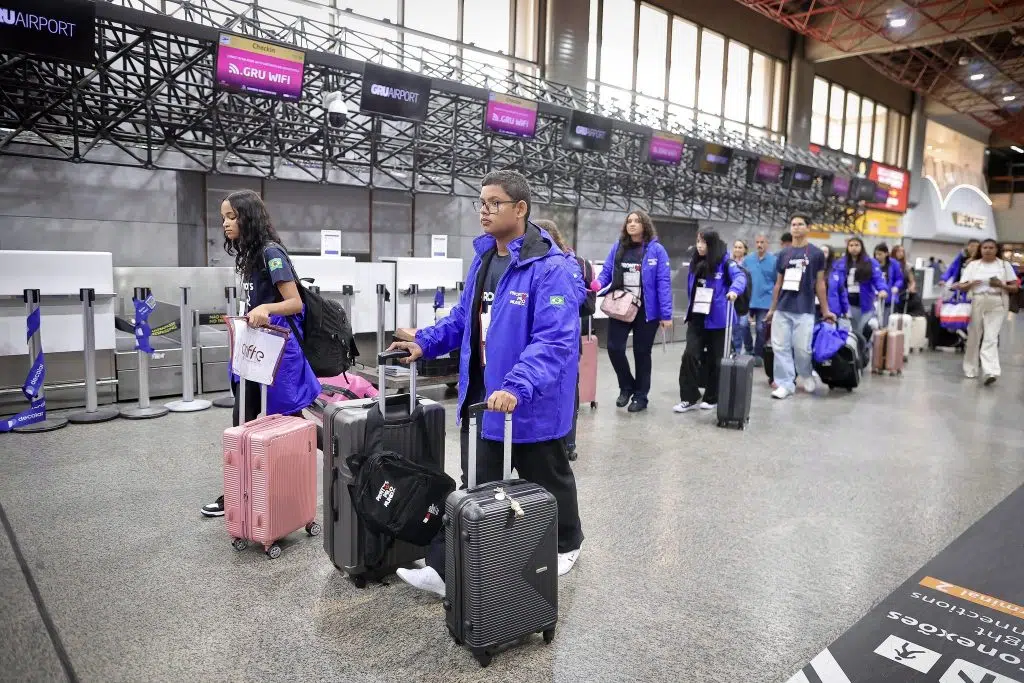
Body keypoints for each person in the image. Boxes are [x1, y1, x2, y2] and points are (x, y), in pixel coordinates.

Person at [387, 170, 585, 597]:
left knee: (548, 478)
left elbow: (554, 341)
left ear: (520, 208)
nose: (484, 211)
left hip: (527, 402)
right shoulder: (484, 260)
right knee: (475, 488)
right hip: (483, 398)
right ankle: (447, 568)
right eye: (481, 203)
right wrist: (424, 342)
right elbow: (464, 318)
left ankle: (567, 544)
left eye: (495, 203)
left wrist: (517, 385)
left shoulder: (551, 269)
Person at [201, 190, 322, 517]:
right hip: (256, 352)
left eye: (232, 217)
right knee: (244, 418)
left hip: (277, 353)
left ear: (248, 217)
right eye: (223, 218)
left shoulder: (271, 253)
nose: (225, 224)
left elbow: (294, 302)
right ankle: (237, 491)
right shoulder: (251, 254)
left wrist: (265, 308)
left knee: (288, 419)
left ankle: (348, 454)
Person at [596, 210, 673, 413]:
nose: (632, 224)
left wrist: (666, 314)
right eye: (629, 221)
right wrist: (597, 284)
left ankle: (641, 396)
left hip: (647, 311)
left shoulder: (657, 250)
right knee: (614, 347)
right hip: (621, 305)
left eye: (636, 221)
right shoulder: (618, 247)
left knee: (642, 353)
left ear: (644, 225)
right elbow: (607, 271)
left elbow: (663, 283)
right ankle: (627, 386)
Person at [534, 219, 591, 460]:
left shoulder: (569, 262)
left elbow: (579, 296)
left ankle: (568, 444)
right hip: (540, 339)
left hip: (565, 341)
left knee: (566, 392)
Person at [674, 230, 746, 413]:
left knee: (717, 360)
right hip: (697, 317)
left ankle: (712, 397)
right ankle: (689, 397)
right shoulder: (695, 261)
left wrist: (734, 290)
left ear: (712, 244)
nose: (700, 246)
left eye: (704, 242)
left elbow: (740, 277)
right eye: (698, 241)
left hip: (719, 320)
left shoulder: (725, 262)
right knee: (689, 355)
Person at [764, 214, 836, 400]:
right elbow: (778, 284)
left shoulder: (816, 254)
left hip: (804, 308)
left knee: (802, 349)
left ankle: (805, 373)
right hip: (783, 308)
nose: (796, 227)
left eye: (800, 224)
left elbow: (820, 283)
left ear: (808, 227)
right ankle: (786, 384)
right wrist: (772, 309)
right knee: (780, 347)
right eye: (793, 224)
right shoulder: (783, 254)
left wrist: (826, 310)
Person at [951, 238, 1020, 385]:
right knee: (974, 336)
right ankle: (970, 368)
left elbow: (1015, 287)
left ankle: (990, 371)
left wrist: (1001, 285)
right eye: (985, 248)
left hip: (997, 302)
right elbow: (961, 286)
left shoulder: (1004, 265)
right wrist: (970, 284)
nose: (988, 250)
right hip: (977, 300)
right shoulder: (973, 265)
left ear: (997, 250)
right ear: (980, 250)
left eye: (991, 248)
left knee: (991, 337)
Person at [832, 237, 887, 361]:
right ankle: (850, 357)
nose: (854, 248)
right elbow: (835, 281)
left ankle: (862, 355)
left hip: (864, 304)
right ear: (847, 247)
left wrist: (882, 289)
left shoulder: (871, 262)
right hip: (846, 304)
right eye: (851, 245)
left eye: (857, 245)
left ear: (861, 247)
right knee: (848, 332)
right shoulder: (840, 263)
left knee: (863, 331)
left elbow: (878, 279)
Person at [743, 232, 777, 367]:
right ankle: (749, 349)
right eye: (757, 242)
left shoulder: (774, 261)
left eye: (762, 242)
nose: (759, 245)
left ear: (767, 244)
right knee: (743, 325)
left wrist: (775, 303)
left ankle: (758, 354)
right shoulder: (748, 260)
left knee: (760, 328)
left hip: (765, 301)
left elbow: (777, 282)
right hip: (749, 300)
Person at [873, 243, 904, 327]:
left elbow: (899, 279)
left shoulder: (894, 264)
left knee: (886, 322)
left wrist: (896, 286)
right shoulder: (873, 264)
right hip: (875, 298)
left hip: (889, 298)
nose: (877, 256)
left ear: (886, 253)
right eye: (876, 254)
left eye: (880, 254)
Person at [729, 240, 750, 354]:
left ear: (745, 250)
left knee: (741, 326)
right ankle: (733, 351)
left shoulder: (748, 264)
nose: (737, 249)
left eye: (740, 247)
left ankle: (741, 351)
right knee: (734, 328)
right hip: (732, 299)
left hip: (743, 300)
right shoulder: (729, 263)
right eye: (735, 247)